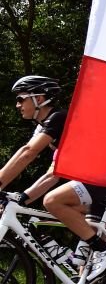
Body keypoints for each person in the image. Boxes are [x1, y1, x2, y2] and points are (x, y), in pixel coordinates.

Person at [0, 76, 66, 205]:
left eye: (21, 99)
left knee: (54, 203)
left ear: (39, 98)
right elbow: (54, 173)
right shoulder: (43, 128)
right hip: (92, 178)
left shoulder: (59, 118)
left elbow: (28, 153)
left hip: (104, 175)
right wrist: (23, 198)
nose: (17, 105)